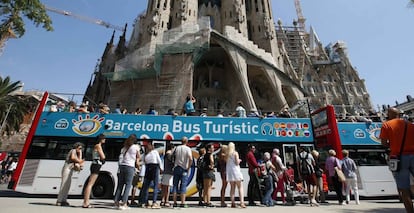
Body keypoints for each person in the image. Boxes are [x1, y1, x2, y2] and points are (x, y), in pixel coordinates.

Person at [380, 107, 414, 213]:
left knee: (404, 189)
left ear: (388, 115)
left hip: (398, 158)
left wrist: (393, 145)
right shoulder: (410, 125)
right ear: (399, 114)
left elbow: (384, 143)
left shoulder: (386, 125)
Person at [114, 134, 141, 210]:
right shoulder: (136, 147)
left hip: (122, 166)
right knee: (128, 185)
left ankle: (116, 201)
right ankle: (124, 203)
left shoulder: (124, 147)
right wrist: (138, 167)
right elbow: (138, 158)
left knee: (120, 185)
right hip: (130, 166)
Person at [56, 142, 84, 206]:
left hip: (70, 169)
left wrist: (80, 154)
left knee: (67, 185)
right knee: (64, 184)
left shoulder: (77, 152)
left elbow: (79, 160)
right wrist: (80, 160)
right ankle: (59, 200)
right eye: (80, 148)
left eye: (81, 149)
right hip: (67, 168)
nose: (80, 149)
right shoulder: (73, 150)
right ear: (76, 147)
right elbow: (73, 158)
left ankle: (64, 200)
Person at [82, 134, 106, 208]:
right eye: (104, 138)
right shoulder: (98, 146)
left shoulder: (97, 146)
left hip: (95, 165)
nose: (105, 140)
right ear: (101, 139)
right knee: (90, 184)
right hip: (96, 165)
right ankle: (86, 202)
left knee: (90, 183)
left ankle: (86, 201)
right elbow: (103, 156)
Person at [140, 142, 163, 209]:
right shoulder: (155, 152)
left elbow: (143, 161)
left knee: (146, 186)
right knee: (156, 186)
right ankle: (154, 202)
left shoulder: (145, 154)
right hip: (155, 168)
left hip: (148, 168)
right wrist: (161, 169)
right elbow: (159, 160)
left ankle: (146, 202)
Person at [172, 137, 193, 208]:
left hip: (176, 167)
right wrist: (189, 167)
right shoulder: (188, 149)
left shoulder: (176, 148)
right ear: (187, 142)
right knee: (183, 185)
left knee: (175, 185)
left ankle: (174, 202)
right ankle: (182, 202)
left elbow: (172, 156)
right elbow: (190, 158)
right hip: (184, 169)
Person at [226, 142, 245, 208]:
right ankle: (242, 202)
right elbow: (236, 163)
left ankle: (232, 203)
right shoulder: (235, 153)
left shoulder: (227, 154)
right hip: (236, 171)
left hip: (230, 172)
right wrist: (239, 160)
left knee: (232, 188)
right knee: (240, 187)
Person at [203, 143, 215, 207]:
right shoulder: (210, 155)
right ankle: (208, 202)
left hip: (205, 171)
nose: (213, 149)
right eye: (212, 148)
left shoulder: (205, 155)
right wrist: (212, 166)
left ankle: (204, 201)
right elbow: (212, 161)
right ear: (209, 148)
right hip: (209, 171)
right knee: (209, 187)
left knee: (205, 187)